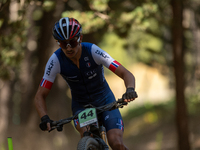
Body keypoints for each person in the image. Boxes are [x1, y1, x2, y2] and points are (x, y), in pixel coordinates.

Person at [34, 17, 138, 150]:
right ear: (58, 43)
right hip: (81, 107)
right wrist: (44, 118)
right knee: (87, 136)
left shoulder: (93, 51)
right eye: (63, 44)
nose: (69, 48)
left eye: (72, 42)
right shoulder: (55, 61)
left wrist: (130, 89)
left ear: (80, 38)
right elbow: (40, 96)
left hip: (105, 101)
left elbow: (126, 73)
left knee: (116, 142)